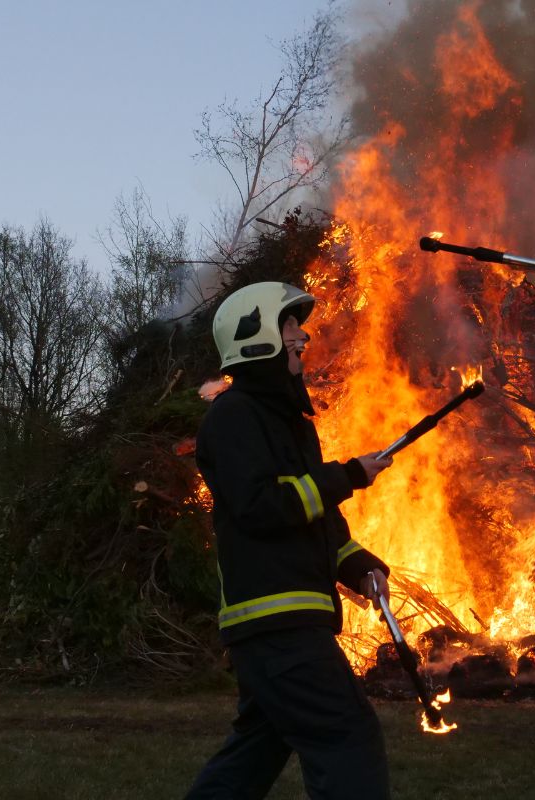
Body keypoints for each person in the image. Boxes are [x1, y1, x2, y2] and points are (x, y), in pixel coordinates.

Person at [186, 281, 394, 799]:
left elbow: (313, 519)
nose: (302, 336)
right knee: (347, 734)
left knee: (257, 751)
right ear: (256, 338)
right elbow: (262, 506)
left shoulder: (288, 423)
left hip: (279, 625)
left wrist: (356, 564)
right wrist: (346, 476)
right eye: (289, 325)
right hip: (275, 622)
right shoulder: (233, 416)